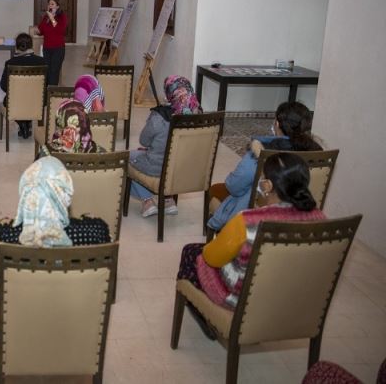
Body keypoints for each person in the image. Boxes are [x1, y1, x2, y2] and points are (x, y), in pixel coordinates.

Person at [176, 153, 325, 338]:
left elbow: (211, 257)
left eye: (263, 178)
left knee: (192, 252)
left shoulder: (247, 221)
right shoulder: (320, 220)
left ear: (268, 185)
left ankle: (205, 314)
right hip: (291, 297)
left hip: (246, 300)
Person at [0, 156, 111, 326]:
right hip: (76, 324)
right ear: (65, 193)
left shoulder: (2, 236)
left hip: (22, 324)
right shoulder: (97, 233)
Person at [206, 101, 322, 232]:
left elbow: (234, 186)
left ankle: (218, 235)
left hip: (256, 216)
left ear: (277, 124)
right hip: (301, 212)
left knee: (216, 190)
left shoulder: (261, 152)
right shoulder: (317, 153)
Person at [129, 75, 202, 218]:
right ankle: (168, 200)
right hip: (185, 169)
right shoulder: (198, 116)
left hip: (158, 168)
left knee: (128, 157)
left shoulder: (159, 116)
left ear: (170, 94)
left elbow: (144, 141)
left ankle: (147, 201)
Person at [0, 32, 45, 139]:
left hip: (16, 102)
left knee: (15, 100)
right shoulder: (42, 61)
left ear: (17, 46)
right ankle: (26, 123)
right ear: (31, 45)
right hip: (37, 101)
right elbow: (48, 82)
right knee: (30, 98)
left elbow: (3, 86)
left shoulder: (10, 63)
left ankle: (22, 123)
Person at [34, 0, 67, 87]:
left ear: (57, 6)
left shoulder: (62, 17)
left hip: (58, 49)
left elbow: (61, 30)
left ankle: (52, 93)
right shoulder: (46, 17)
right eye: (49, 4)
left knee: (54, 71)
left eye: (52, 4)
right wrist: (37, 31)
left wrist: (52, 18)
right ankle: (47, 92)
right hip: (47, 48)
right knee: (47, 70)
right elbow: (41, 30)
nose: (50, 6)